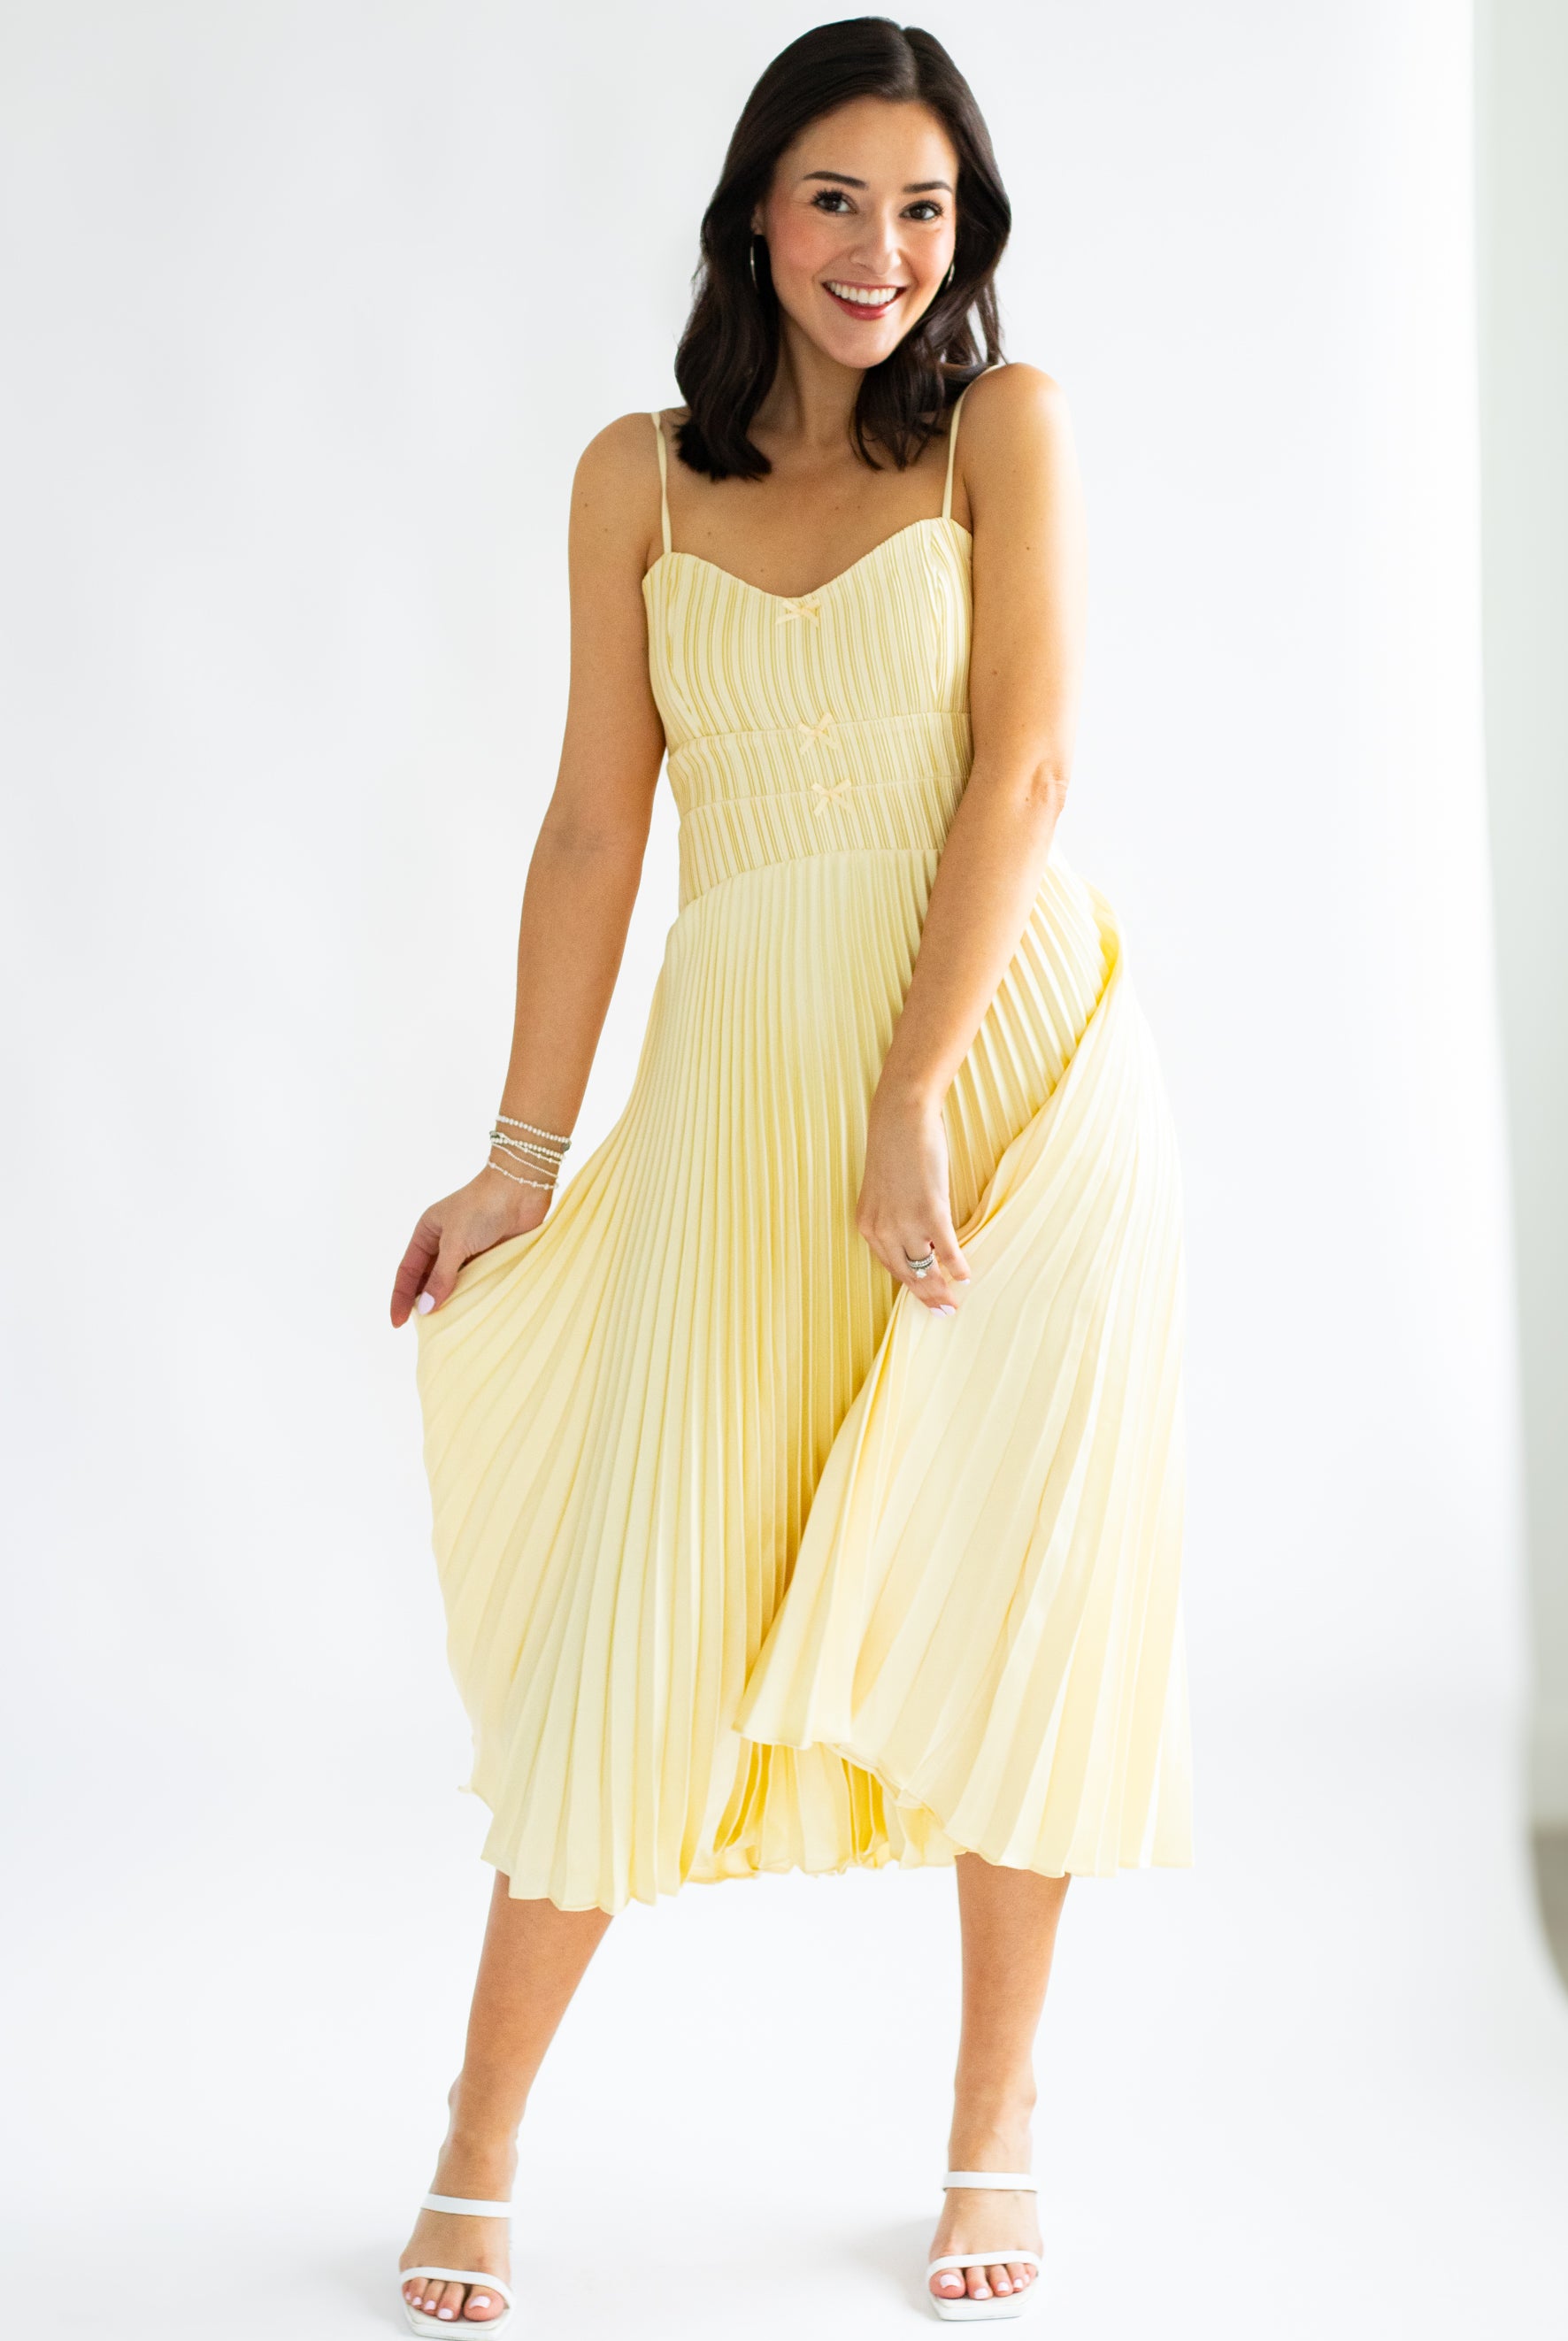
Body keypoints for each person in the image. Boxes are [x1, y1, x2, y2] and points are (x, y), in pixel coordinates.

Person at [389, 17, 1191, 2328]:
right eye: (837, 197)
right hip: (745, 1090)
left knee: (1012, 1594)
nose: (880, 248)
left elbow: (1021, 775)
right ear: (756, 209)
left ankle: (990, 2120)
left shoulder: (1002, 438)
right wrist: (524, 1154)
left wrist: (910, 1090)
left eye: (923, 207)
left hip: (1012, 1094)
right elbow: (585, 827)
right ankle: (475, 2128)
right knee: (639, 1600)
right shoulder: (635, 479)